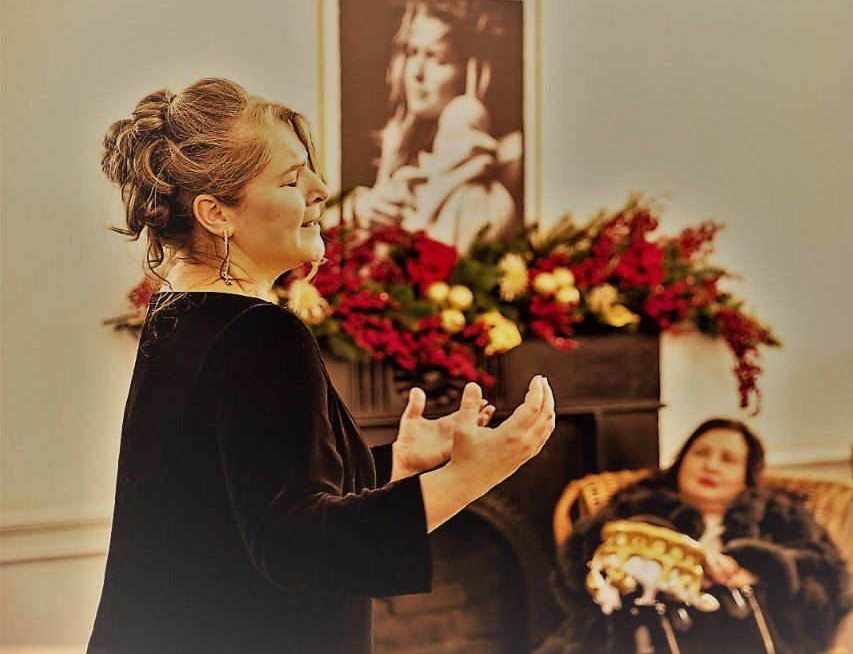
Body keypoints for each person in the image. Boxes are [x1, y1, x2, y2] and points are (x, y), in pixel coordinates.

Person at [88, 77, 556, 653]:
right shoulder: (258, 332)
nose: (322, 189)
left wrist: (396, 463)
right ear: (217, 213)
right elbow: (297, 545)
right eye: (291, 179)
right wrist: (471, 476)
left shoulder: (181, 315)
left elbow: (251, 494)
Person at [541, 419, 851, 654]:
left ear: (747, 476)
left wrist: (756, 568)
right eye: (700, 452)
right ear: (681, 462)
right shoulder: (637, 505)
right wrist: (662, 565)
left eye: (728, 459)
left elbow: (827, 581)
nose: (710, 465)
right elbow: (575, 571)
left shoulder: (780, 516)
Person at [344, 0, 523, 253]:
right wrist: (360, 207)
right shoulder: (392, 137)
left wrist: (466, 112)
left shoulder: (504, 153)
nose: (416, 73)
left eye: (436, 58)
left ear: (470, 71)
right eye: (411, 52)